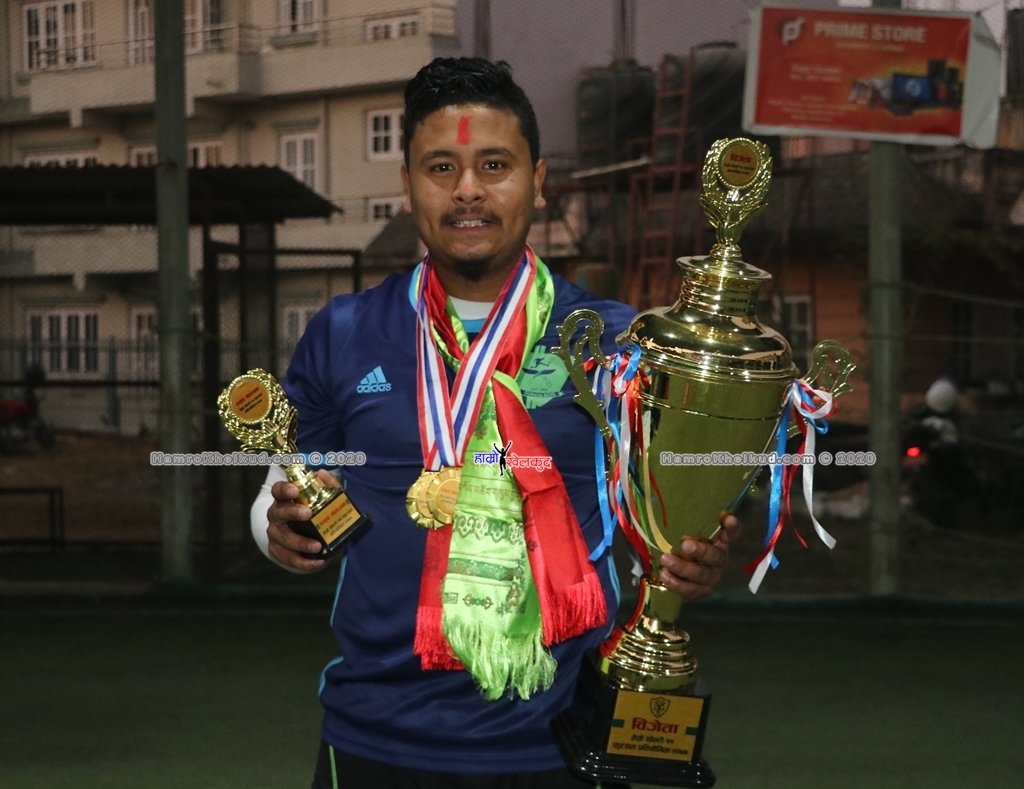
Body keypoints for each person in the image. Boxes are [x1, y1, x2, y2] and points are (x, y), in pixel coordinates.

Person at [250, 57, 740, 789]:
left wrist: (687, 557)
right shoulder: (343, 330)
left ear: (538, 181)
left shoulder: (615, 340)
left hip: (561, 738)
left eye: (494, 165)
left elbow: (658, 510)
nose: (468, 190)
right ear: (408, 184)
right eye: (441, 167)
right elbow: (279, 488)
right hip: (376, 735)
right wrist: (277, 529)